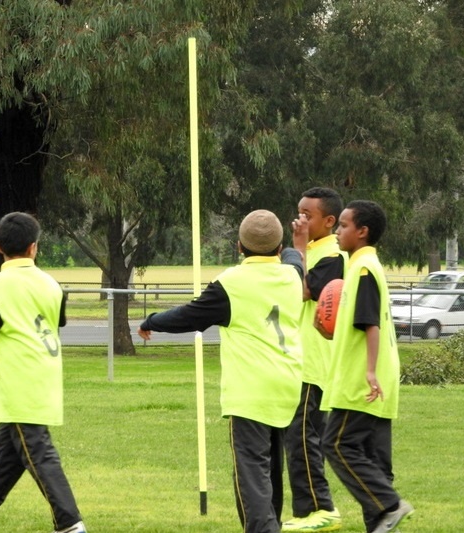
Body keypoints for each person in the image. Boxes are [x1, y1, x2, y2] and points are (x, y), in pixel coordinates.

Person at [138, 209, 308, 533]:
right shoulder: (291, 276)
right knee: (271, 471)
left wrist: (151, 320)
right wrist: (295, 245)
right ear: (278, 246)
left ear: (239, 247)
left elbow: (188, 317)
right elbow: (294, 258)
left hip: (250, 392)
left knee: (251, 474)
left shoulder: (231, 283)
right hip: (287, 386)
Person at [0, 212, 87, 533]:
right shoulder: (52, 285)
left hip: (20, 380)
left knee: (39, 454)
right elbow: (53, 324)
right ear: (34, 248)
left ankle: (71, 524)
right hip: (46, 376)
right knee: (9, 454)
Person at [320, 201, 414, 533]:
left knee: (336, 444)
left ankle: (389, 505)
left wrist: (370, 372)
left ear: (363, 232)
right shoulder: (363, 265)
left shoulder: (363, 269)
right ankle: (383, 520)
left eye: (343, 225)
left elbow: (370, 324)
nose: (336, 231)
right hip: (377, 377)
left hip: (362, 379)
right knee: (374, 459)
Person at [282, 188, 347, 532]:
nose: (300, 219)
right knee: (298, 438)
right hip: (294, 359)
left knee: (302, 437)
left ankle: (320, 509)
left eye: (308, 215)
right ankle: (307, 509)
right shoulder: (306, 251)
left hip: (313, 363)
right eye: (298, 212)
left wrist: (299, 245)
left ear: (329, 221)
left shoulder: (332, 255)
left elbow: (304, 290)